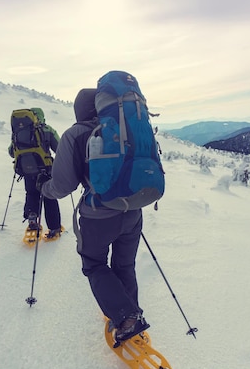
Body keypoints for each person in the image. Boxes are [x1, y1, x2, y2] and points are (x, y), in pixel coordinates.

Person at [38, 89, 149, 343]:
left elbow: (63, 185)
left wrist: (44, 188)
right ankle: (130, 310)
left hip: (99, 215)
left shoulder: (75, 134)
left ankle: (127, 317)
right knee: (124, 264)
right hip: (132, 210)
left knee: (94, 264)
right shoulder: (125, 128)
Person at [8, 107, 62, 239]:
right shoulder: (47, 129)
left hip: (26, 170)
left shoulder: (19, 131)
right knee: (49, 196)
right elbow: (60, 148)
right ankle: (54, 228)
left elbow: (11, 152)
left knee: (31, 193)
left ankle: (32, 219)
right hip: (45, 169)